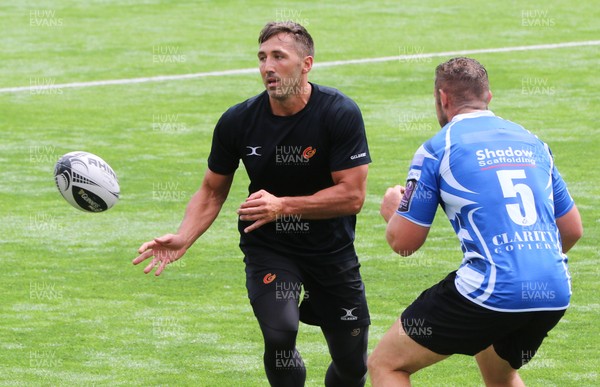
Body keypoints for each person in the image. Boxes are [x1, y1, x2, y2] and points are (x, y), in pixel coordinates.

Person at [133, 21, 371, 386]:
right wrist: (184, 237)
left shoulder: (338, 113)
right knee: (280, 337)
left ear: (306, 64)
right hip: (270, 246)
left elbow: (352, 196)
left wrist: (284, 206)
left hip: (331, 250)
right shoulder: (238, 121)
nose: (267, 67)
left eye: (279, 56)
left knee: (353, 364)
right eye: (262, 58)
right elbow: (212, 190)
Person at [368, 57, 583, 386]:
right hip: (553, 291)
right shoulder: (534, 143)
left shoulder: (438, 148)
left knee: (387, 365)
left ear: (443, 98)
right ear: (489, 97)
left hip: (491, 291)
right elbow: (571, 230)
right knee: (498, 367)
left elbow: (404, 243)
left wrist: (394, 212)